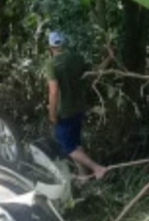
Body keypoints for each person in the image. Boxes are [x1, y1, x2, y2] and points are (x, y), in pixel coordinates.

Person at [45, 31, 108, 180]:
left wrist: (52, 114)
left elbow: (53, 91)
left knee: (68, 147)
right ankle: (83, 176)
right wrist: (108, 58)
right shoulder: (76, 58)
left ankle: (97, 168)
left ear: (50, 47)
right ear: (64, 43)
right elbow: (95, 72)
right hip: (79, 108)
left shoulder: (51, 64)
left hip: (64, 112)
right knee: (76, 143)